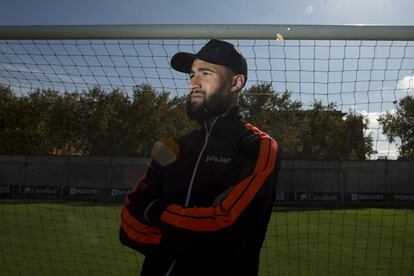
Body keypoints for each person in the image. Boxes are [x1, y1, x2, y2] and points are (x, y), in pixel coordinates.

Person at [119, 39, 282, 276]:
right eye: (192, 74)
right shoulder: (172, 147)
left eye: (206, 73)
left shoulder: (259, 147)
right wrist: (183, 242)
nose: (194, 83)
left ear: (236, 83)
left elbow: (226, 230)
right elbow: (128, 222)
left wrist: (155, 211)